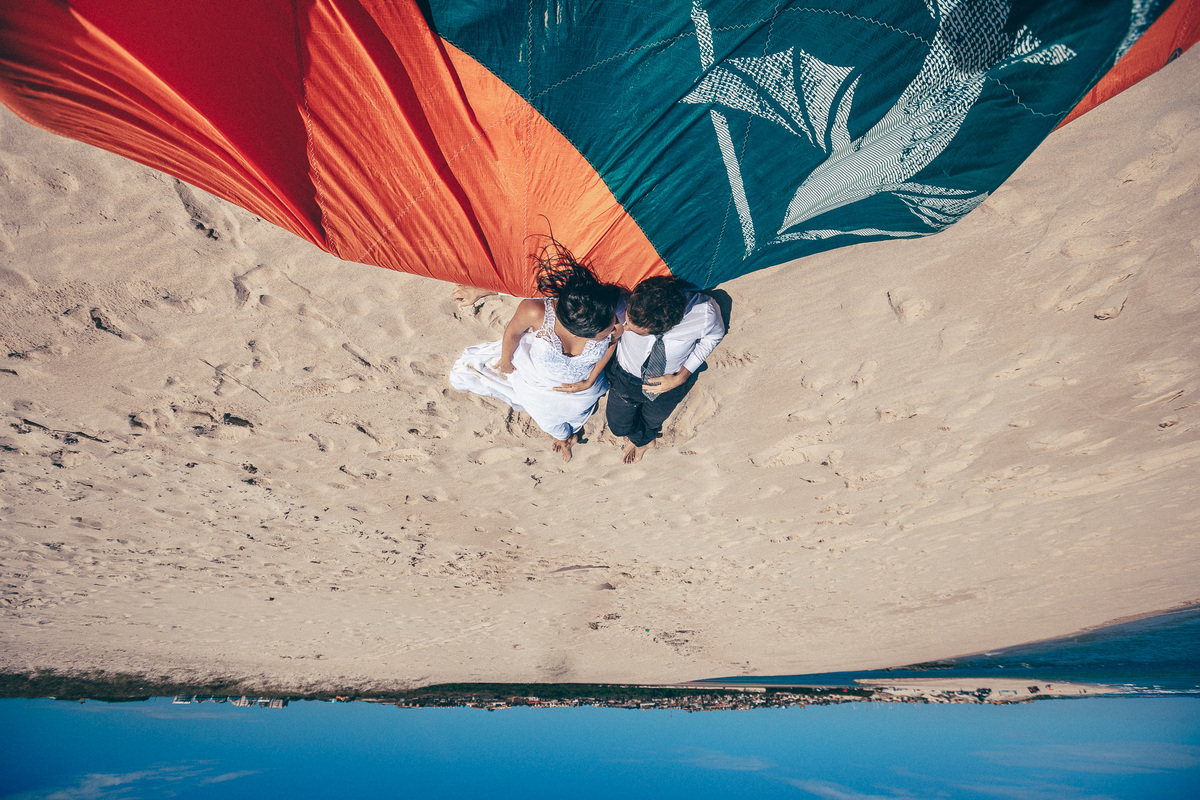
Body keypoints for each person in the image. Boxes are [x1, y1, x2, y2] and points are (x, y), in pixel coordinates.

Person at [449, 244, 621, 462]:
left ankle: (569, 437)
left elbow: (612, 343)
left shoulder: (610, 318)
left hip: (582, 387)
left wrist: (589, 381)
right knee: (548, 422)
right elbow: (512, 333)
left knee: (577, 416)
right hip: (537, 384)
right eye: (605, 330)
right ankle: (562, 439)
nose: (614, 327)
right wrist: (505, 360)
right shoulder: (535, 311)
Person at [605, 276, 725, 464]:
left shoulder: (704, 313)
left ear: (666, 329)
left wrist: (682, 376)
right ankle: (642, 440)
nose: (625, 326)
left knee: (652, 420)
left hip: (670, 383)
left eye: (636, 331)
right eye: (627, 319)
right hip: (626, 378)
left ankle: (644, 442)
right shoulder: (625, 302)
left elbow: (714, 336)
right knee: (618, 428)